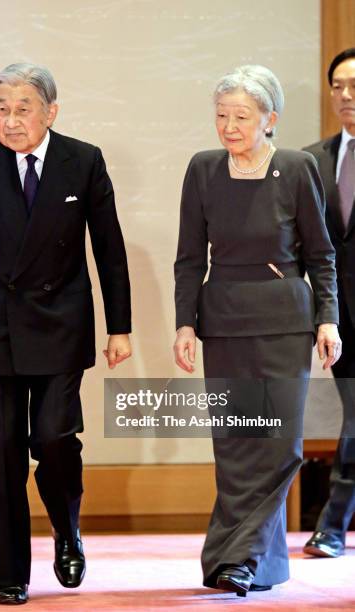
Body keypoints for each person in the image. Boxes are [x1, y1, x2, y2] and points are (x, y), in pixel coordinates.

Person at [0, 63, 132, 605]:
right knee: (0, 452)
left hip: (62, 323)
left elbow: (108, 250)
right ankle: (10, 574)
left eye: (23, 109)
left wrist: (120, 327)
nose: (11, 120)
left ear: (51, 112)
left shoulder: (83, 160)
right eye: (2, 108)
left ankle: (66, 528)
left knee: (53, 439)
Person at [174, 65, 341, 596]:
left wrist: (328, 317)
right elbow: (186, 258)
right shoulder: (203, 169)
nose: (228, 126)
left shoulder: (296, 168)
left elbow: (320, 252)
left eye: (241, 116)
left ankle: (237, 556)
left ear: (270, 119)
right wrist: (184, 322)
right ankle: (246, 562)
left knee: (280, 444)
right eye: (221, 116)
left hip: (285, 321)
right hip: (222, 320)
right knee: (236, 441)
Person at [303, 48, 355, 559]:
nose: (346, 94)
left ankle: (334, 524)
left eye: (354, 84)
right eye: (338, 84)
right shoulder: (311, 160)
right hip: (338, 316)